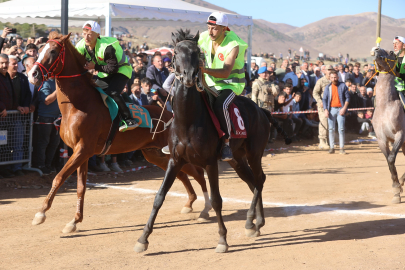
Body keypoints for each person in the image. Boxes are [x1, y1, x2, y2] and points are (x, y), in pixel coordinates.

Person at [197, 12, 248, 161]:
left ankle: (226, 143)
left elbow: (226, 72)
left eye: (215, 29)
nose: (210, 32)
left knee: (220, 106)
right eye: (209, 27)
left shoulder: (233, 45)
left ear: (224, 28)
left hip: (231, 84)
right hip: (209, 82)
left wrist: (204, 70)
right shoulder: (203, 37)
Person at [75, 21, 138, 132]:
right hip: (104, 71)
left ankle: (129, 119)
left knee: (112, 92)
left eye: (90, 34)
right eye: (84, 33)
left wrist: (94, 66)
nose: (86, 37)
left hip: (122, 70)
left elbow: (113, 69)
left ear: (97, 35)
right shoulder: (80, 45)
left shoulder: (106, 47)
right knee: (93, 91)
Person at [323, 71, 350, 154]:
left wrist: (344, 108)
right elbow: (324, 99)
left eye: (335, 77)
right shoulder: (328, 87)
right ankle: (332, 147)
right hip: (331, 110)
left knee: (341, 129)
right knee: (331, 129)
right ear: (329, 78)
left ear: (338, 77)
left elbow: (348, 98)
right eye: (332, 77)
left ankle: (341, 148)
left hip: (341, 109)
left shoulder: (343, 86)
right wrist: (325, 109)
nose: (334, 79)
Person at [313, 65, 334, 150]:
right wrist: (319, 101)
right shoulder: (321, 81)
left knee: (331, 123)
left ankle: (329, 140)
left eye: (331, 70)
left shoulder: (334, 81)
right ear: (324, 71)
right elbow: (315, 93)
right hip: (323, 106)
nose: (329, 71)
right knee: (324, 122)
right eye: (328, 70)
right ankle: (322, 141)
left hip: (333, 105)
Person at [393, 36, 405, 105]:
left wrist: (400, 75)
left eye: (397, 43)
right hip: (393, 89)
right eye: (393, 44)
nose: (394, 46)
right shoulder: (392, 59)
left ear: (404, 45)